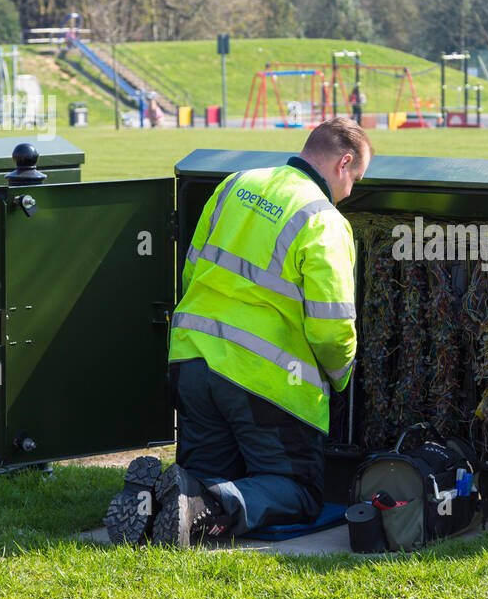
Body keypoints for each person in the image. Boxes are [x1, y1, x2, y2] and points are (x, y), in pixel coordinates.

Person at [105, 118, 371, 546]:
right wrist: (341, 376)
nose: (351, 191)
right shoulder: (324, 219)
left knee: (203, 476)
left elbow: (192, 270)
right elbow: (330, 326)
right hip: (265, 382)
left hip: (191, 363)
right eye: (355, 178)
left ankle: (152, 502)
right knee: (299, 493)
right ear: (344, 162)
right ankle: (202, 505)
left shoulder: (235, 184)